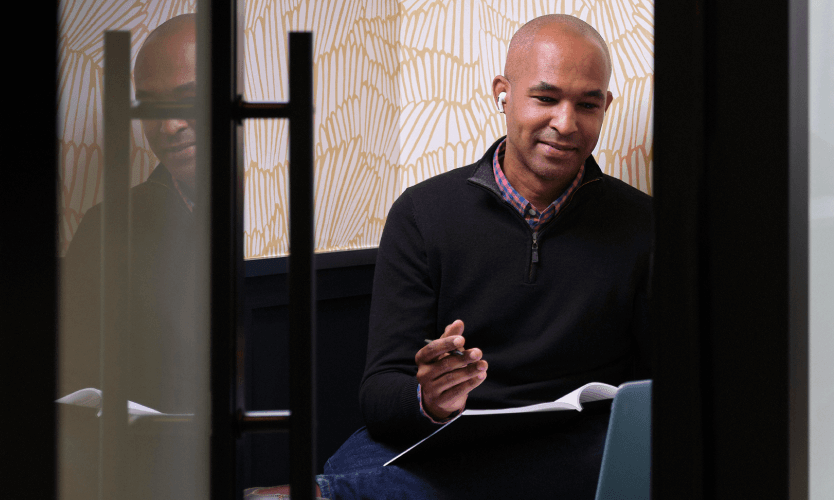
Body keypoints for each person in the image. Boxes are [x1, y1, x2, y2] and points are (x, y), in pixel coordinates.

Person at [266, 14, 652, 500]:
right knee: (354, 459)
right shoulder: (423, 212)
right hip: (443, 437)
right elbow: (381, 392)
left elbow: (662, 390)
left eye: (588, 104)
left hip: (572, 444)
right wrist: (429, 399)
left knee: (604, 458)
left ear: (605, 107)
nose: (566, 123)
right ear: (503, 93)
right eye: (546, 98)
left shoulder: (645, 225)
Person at [58, 13, 211, 498]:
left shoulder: (282, 207)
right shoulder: (106, 229)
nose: (167, 126)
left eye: (186, 100)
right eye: (151, 105)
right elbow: (72, 380)